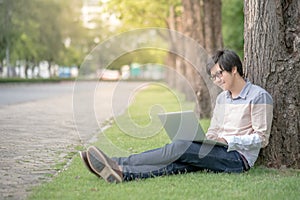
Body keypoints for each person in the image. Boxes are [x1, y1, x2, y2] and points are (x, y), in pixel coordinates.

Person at [79, 49, 273, 183]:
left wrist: (227, 140)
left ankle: (116, 162)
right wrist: (208, 140)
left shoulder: (259, 96)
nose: (217, 80)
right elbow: (214, 129)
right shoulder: (223, 98)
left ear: (234, 69)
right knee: (179, 162)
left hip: (238, 159)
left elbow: (261, 138)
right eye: (213, 77)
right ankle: (122, 173)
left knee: (180, 146)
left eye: (219, 74)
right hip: (217, 150)